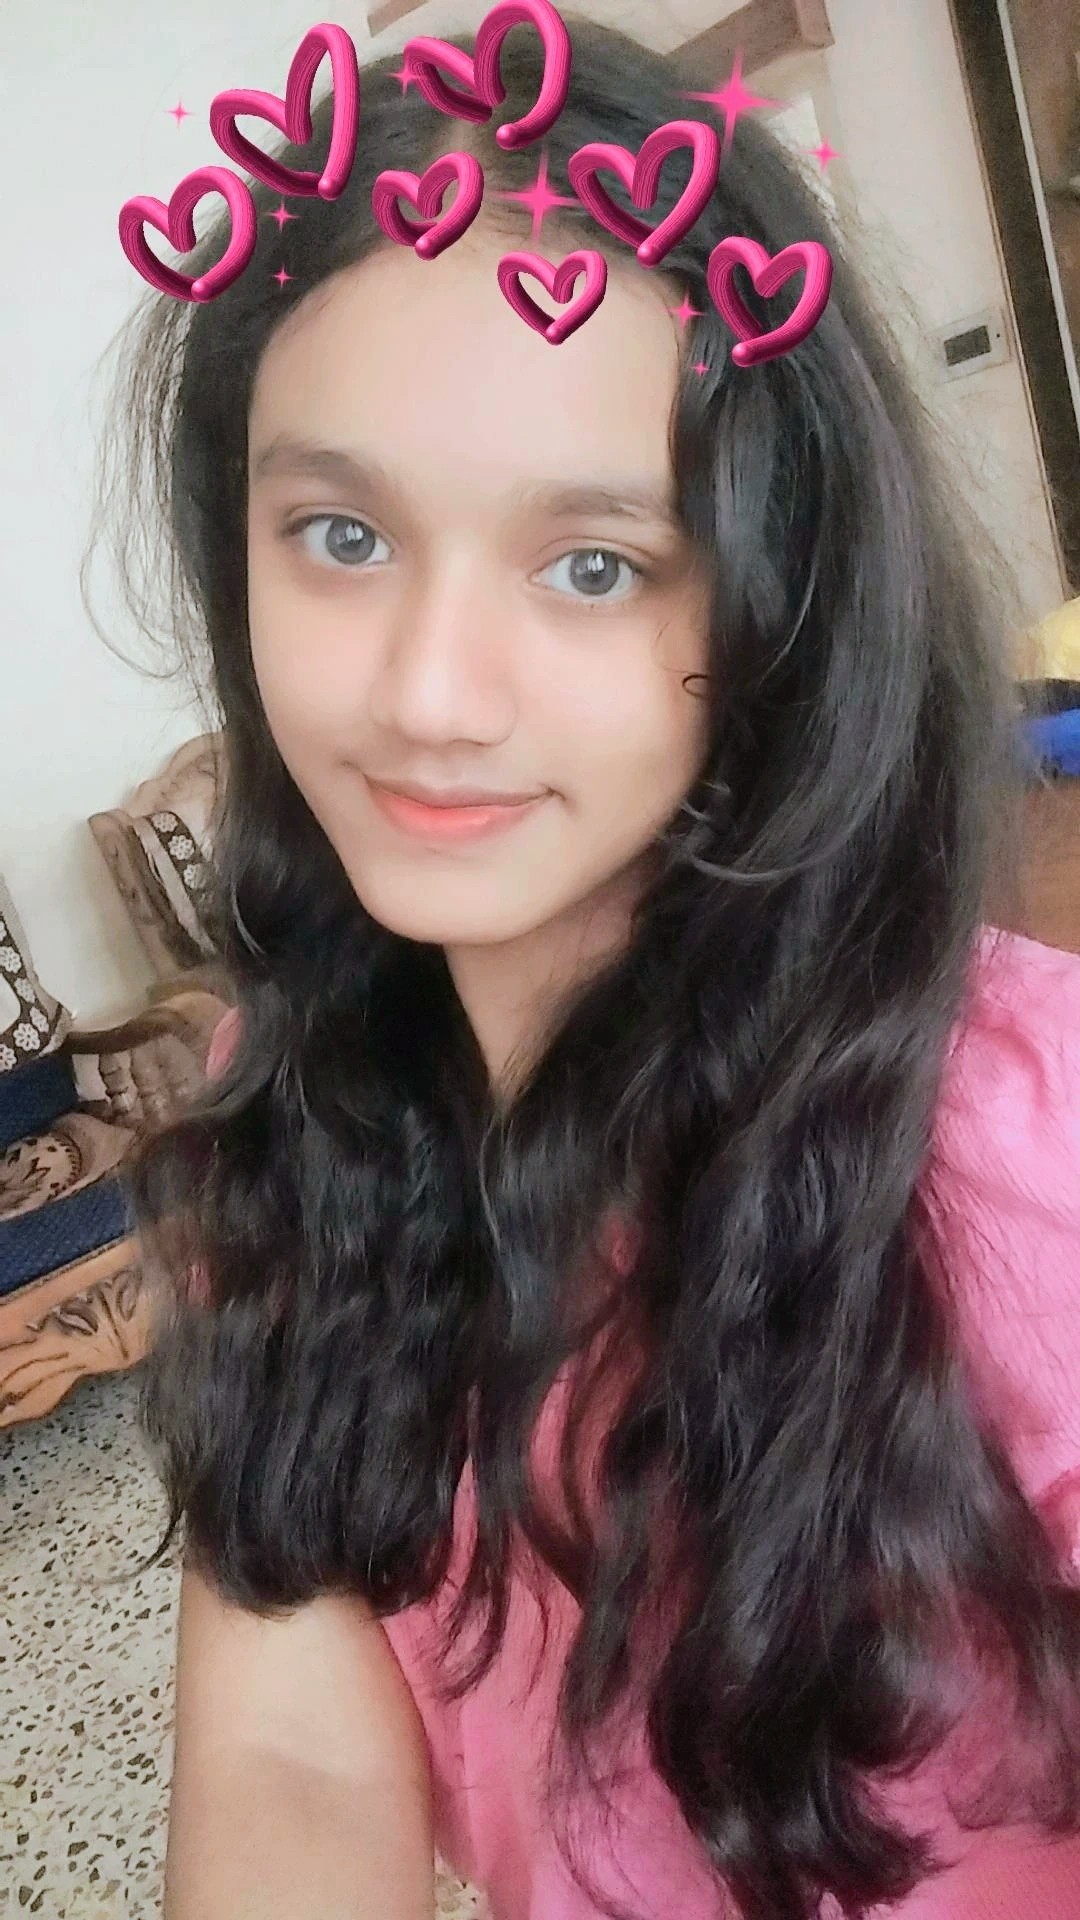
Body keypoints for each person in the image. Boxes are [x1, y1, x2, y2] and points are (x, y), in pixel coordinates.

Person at [87, 14, 1080, 1920]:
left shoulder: (1022, 1152)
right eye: (341, 535)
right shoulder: (278, 1141)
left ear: (776, 596)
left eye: (595, 564)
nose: (428, 694)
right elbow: (295, 1774)